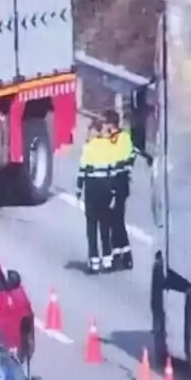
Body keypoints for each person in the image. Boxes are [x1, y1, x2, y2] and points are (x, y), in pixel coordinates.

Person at [76, 117, 115, 274]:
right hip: (105, 188)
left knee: (91, 227)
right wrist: (113, 192)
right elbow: (112, 170)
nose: (88, 133)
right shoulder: (108, 146)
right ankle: (107, 260)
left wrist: (78, 190)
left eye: (89, 130)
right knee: (105, 225)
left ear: (95, 131)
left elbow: (82, 170)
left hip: (92, 188)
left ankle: (94, 262)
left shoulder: (88, 147)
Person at [104, 109, 135, 270]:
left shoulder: (121, 139)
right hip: (113, 186)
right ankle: (119, 254)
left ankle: (125, 256)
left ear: (111, 124)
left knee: (117, 221)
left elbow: (121, 162)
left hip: (119, 186)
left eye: (106, 123)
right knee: (113, 221)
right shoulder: (114, 139)